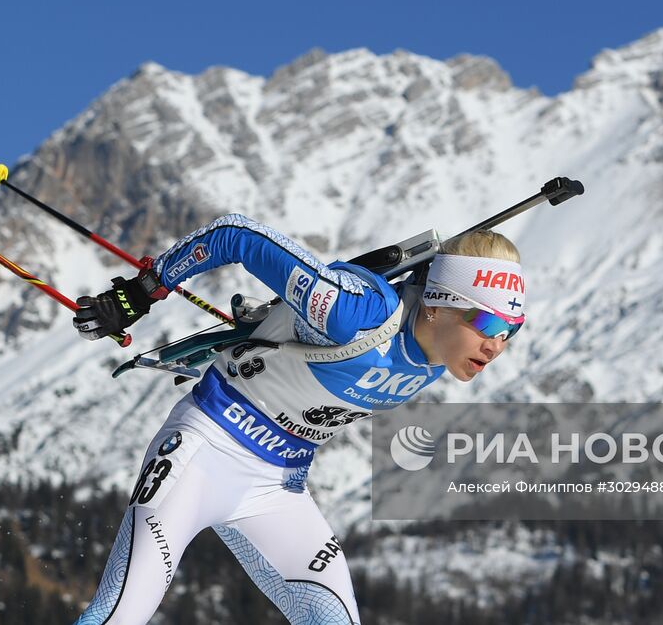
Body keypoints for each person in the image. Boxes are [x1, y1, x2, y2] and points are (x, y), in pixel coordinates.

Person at [69, 213, 527, 625]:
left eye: (512, 330)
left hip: (275, 487)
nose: (497, 344)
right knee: (118, 617)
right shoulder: (357, 314)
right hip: (204, 452)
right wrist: (141, 292)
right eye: (487, 324)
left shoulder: (439, 355)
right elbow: (236, 235)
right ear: (439, 304)